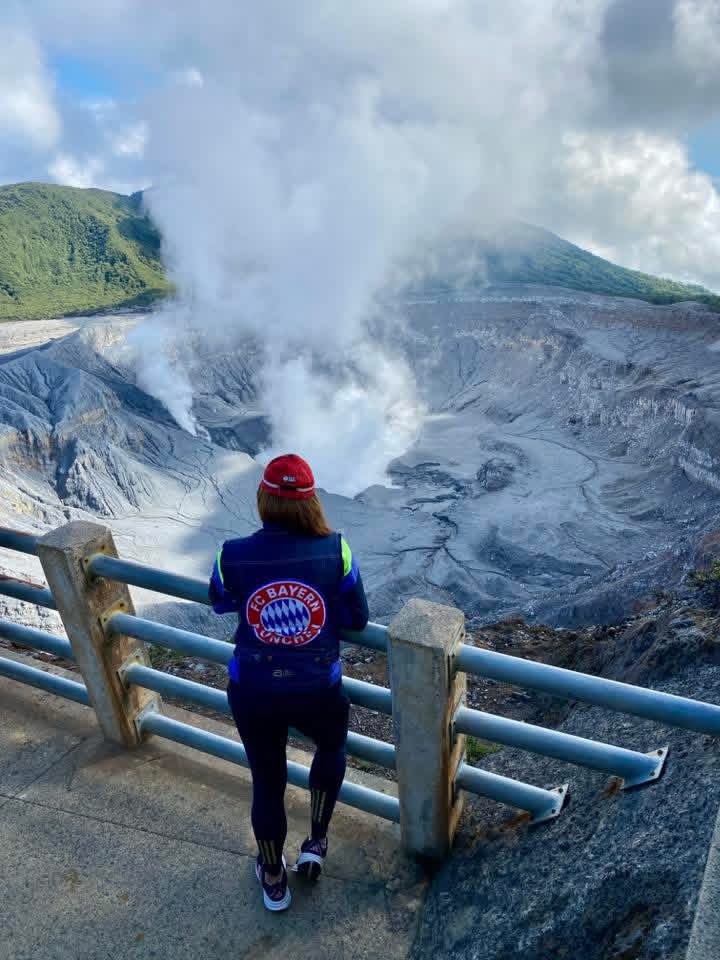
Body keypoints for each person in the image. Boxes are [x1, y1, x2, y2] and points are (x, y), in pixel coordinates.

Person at [209, 453, 369, 912]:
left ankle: (273, 877)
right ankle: (315, 842)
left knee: (267, 780)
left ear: (263, 498)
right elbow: (357, 615)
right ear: (312, 501)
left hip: (254, 688)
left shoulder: (231, 554)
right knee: (332, 748)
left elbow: (220, 600)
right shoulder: (336, 549)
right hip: (316, 686)